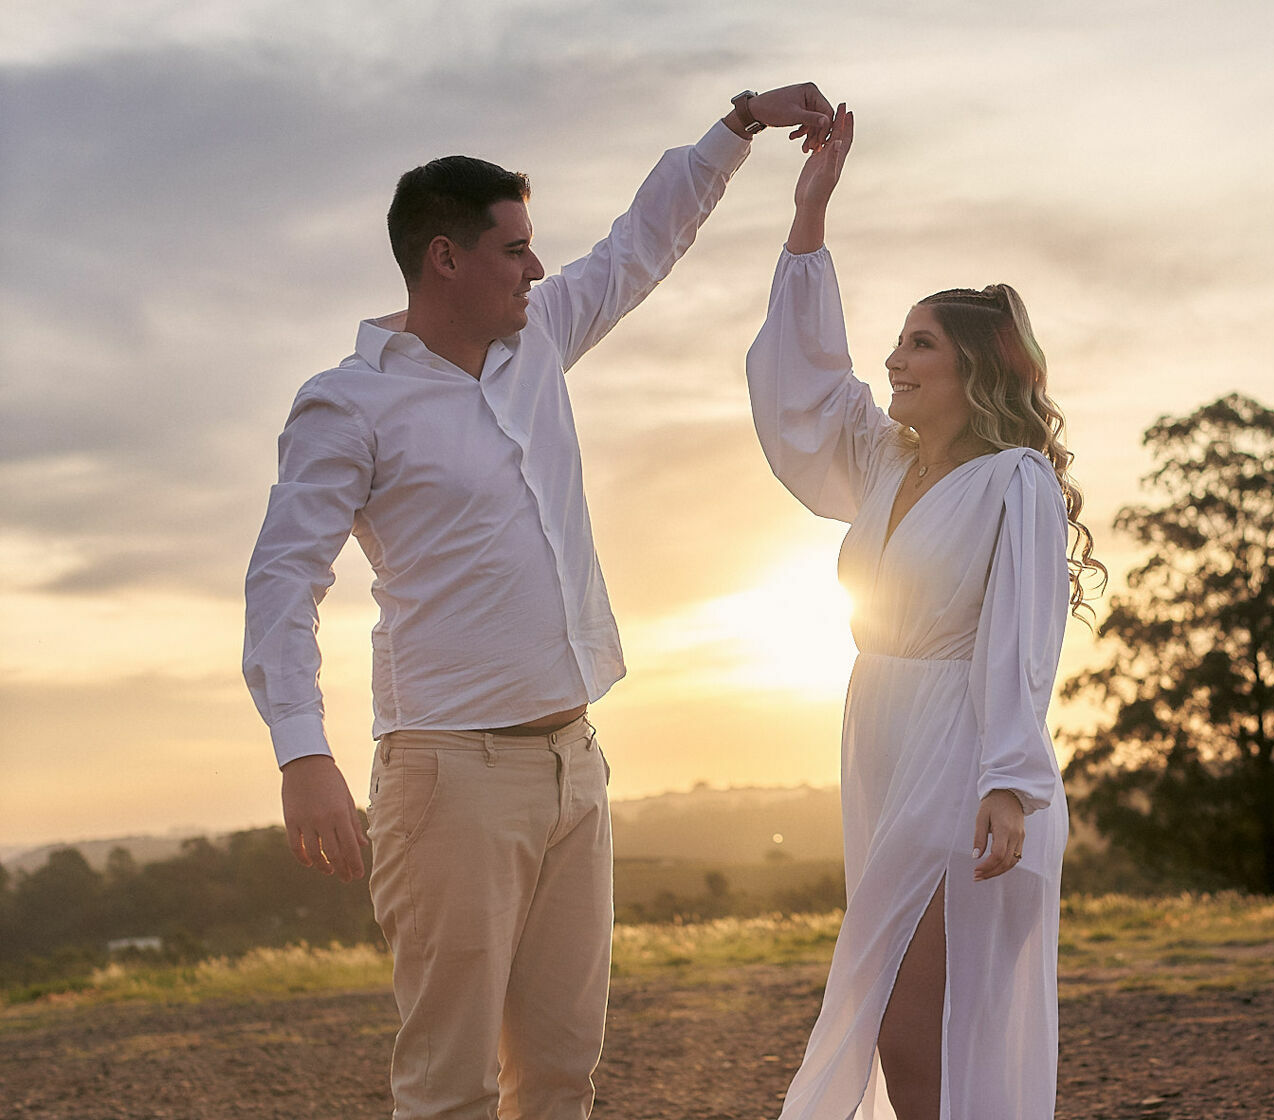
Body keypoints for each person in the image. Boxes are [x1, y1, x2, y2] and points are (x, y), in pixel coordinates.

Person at [241, 83, 832, 1120]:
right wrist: (302, 751)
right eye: (514, 247)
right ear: (445, 258)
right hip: (446, 778)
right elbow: (283, 581)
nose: (536, 266)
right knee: (451, 1088)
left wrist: (737, 126)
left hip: (575, 760)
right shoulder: (349, 402)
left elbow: (639, 245)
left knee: (560, 1078)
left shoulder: (539, 341)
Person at [746, 105, 1103, 1120]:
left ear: (973, 370)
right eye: (898, 339)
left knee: (907, 1019)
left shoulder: (1014, 481)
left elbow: (1024, 644)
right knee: (905, 1009)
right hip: (878, 735)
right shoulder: (884, 460)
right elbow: (803, 388)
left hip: (962, 746)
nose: (895, 359)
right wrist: (810, 211)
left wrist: (1008, 781)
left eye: (920, 343)